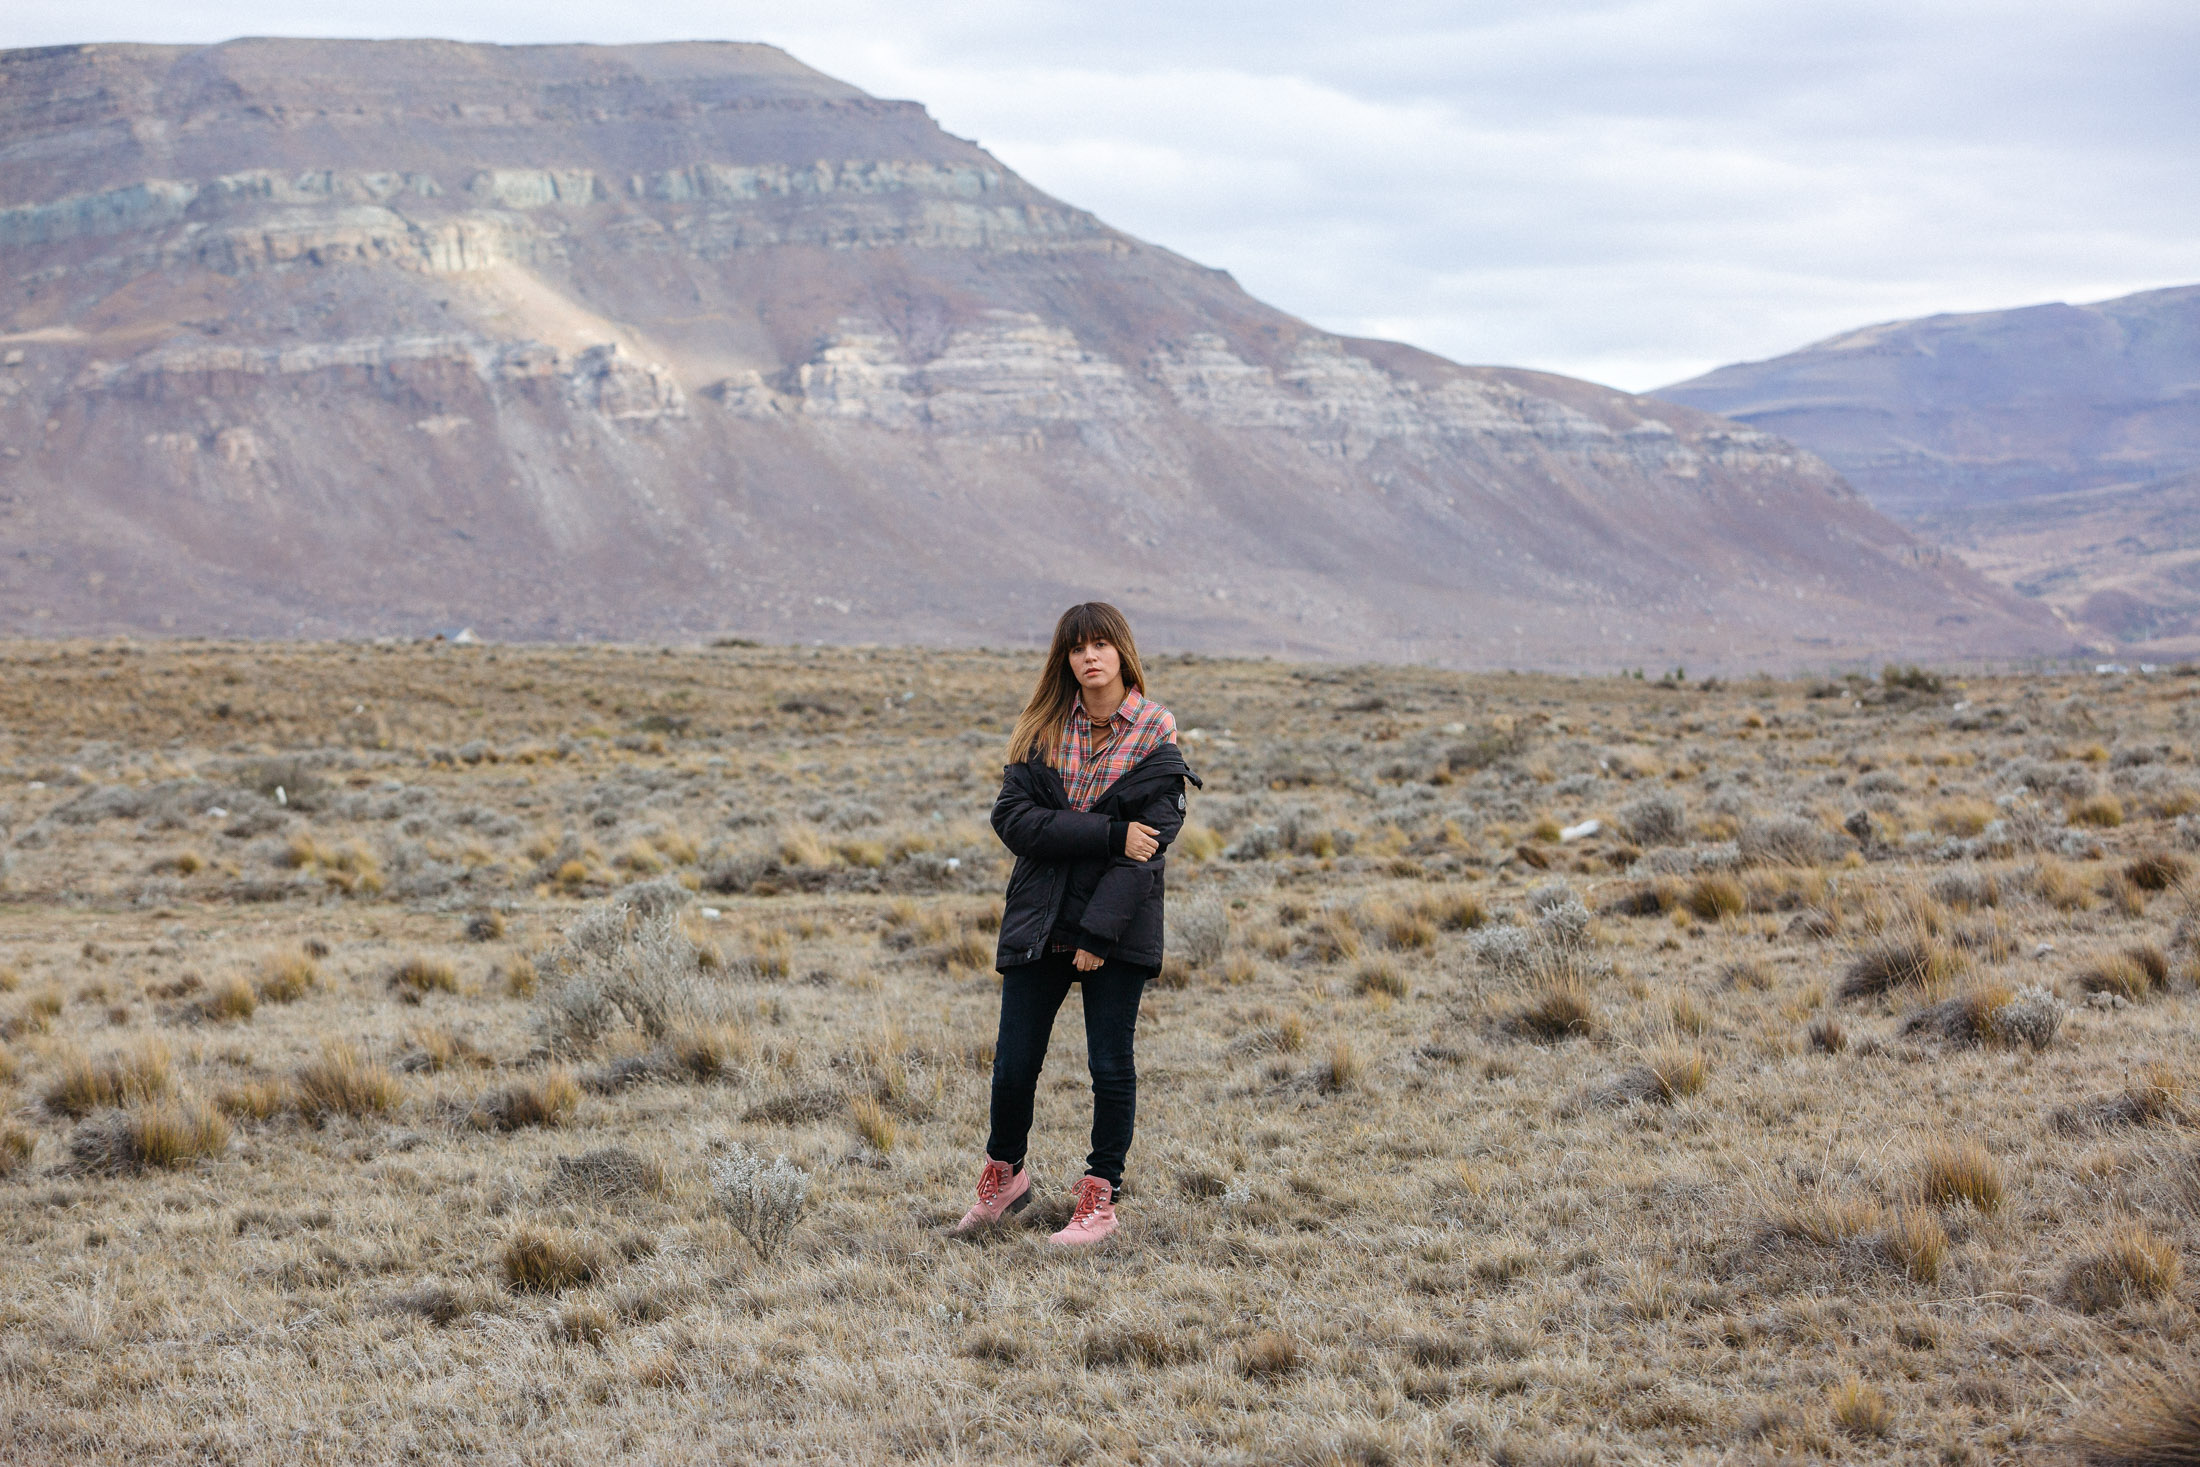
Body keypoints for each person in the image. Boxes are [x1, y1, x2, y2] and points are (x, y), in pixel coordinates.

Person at [951, 602, 1199, 1246]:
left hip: (1115, 926)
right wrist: (1112, 832)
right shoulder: (1041, 731)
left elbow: (1149, 852)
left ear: (1122, 652)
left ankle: (1100, 1198)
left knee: (1110, 1065)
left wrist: (1097, 936)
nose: (1090, 657)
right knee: (1012, 1063)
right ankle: (1004, 1175)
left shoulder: (1154, 738)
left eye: (1101, 645)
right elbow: (1014, 823)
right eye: (1076, 648)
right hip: (1041, 917)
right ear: (1064, 658)